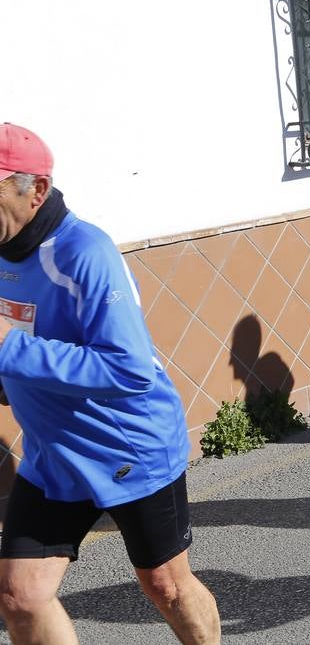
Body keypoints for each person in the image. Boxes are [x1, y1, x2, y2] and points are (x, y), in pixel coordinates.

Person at [0, 124, 221, 644]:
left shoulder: (85, 253)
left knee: (166, 585)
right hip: (54, 453)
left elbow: (128, 369)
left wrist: (9, 349)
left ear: (36, 191)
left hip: (128, 447)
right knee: (19, 596)